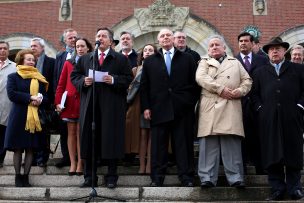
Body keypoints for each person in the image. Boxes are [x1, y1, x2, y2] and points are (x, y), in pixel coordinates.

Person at [70, 27, 132, 189]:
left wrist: (113, 80)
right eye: (98, 36)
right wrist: (83, 81)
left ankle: (112, 176)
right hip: (90, 106)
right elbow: (74, 76)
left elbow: (127, 79)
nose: (100, 38)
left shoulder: (120, 59)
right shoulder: (86, 59)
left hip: (112, 107)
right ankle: (90, 177)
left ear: (111, 41)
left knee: (111, 139)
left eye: (104, 36)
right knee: (89, 139)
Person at [140, 28, 199, 187]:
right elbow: (144, 86)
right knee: (158, 146)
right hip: (158, 109)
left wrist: (188, 102)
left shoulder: (187, 58)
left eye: (168, 35)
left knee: (183, 144)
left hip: (182, 110)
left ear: (173, 39)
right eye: (162, 36)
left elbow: (195, 85)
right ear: (158, 40)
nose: (165, 37)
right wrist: (146, 107)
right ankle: (157, 178)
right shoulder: (150, 61)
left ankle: (186, 176)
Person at [251, 37, 304, 201]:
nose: (274, 51)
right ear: (267, 53)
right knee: (272, 153)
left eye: (278, 48)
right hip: (269, 119)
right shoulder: (260, 72)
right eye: (271, 49)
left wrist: (300, 107)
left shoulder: (297, 69)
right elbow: (254, 95)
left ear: (284, 51)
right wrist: (260, 108)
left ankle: (295, 188)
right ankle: (277, 189)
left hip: (292, 117)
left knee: (293, 152)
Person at [196, 35, 252, 189]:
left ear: (224, 47)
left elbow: (247, 81)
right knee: (208, 144)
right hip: (210, 106)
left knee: (231, 144)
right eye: (211, 45)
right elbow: (201, 78)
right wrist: (220, 89)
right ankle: (206, 178)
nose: (214, 47)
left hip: (231, 104)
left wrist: (239, 91)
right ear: (208, 49)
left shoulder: (235, 63)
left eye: (217, 45)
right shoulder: (204, 62)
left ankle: (236, 178)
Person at [4, 49, 49, 187]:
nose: (31, 62)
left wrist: (40, 99)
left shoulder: (39, 77)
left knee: (30, 148)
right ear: (21, 60)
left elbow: (47, 98)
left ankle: (26, 177)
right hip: (18, 116)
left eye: (33, 60)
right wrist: (30, 98)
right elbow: (12, 94)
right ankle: (18, 177)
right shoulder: (13, 76)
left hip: (34, 117)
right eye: (28, 59)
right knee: (18, 148)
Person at [55, 38, 93, 176]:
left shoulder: (92, 62)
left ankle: (81, 163)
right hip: (70, 103)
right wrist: (58, 102)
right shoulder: (68, 63)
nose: (80, 49)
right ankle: (73, 162)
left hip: (85, 102)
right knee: (71, 133)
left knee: (80, 133)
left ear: (88, 48)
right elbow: (61, 84)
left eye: (82, 46)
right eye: (78, 46)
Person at [235, 32, 268, 175]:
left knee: (259, 137)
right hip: (238, 105)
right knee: (240, 138)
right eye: (240, 41)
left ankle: (261, 168)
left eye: (246, 41)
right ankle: (242, 170)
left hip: (258, 105)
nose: (243, 43)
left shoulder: (262, 60)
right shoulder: (232, 61)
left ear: (252, 43)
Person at [125, 44, 157, 175]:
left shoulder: (158, 68)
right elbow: (130, 88)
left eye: (151, 50)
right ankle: (142, 165)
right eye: (145, 50)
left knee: (151, 136)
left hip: (153, 104)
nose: (148, 52)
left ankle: (149, 165)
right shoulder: (135, 69)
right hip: (138, 105)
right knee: (143, 135)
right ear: (142, 54)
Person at [53, 28, 78, 168]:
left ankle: (79, 158)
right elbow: (56, 79)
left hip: (78, 98)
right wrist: (56, 101)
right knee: (64, 130)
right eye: (70, 38)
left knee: (78, 130)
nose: (73, 40)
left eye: (75, 37)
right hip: (64, 99)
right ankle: (66, 157)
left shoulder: (83, 53)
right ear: (65, 40)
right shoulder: (60, 56)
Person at [30, 37, 55, 167]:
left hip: (45, 103)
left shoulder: (51, 62)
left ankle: (42, 158)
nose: (32, 48)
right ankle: (31, 157)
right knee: (31, 131)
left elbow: (54, 83)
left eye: (35, 46)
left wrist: (50, 101)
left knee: (43, 131)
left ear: (42, 48)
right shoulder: (28, 63)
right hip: (29, 102)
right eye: (31, 46)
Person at [119, 31, 138, 165]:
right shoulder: (115, 57)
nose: (125, 41)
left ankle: (130, 154)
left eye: (128, 39)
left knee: (131, 126)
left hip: (134, 98)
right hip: (117, 96)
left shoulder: (137, 58)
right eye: (123, 39)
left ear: (132, 42)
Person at [0, 41, 16, 168]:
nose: (2, 50)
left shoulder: (14, 67)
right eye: (0, 48)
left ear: (8, 51)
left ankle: (0, 159)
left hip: (7, 106)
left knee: (3, 134)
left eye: (5, 48)